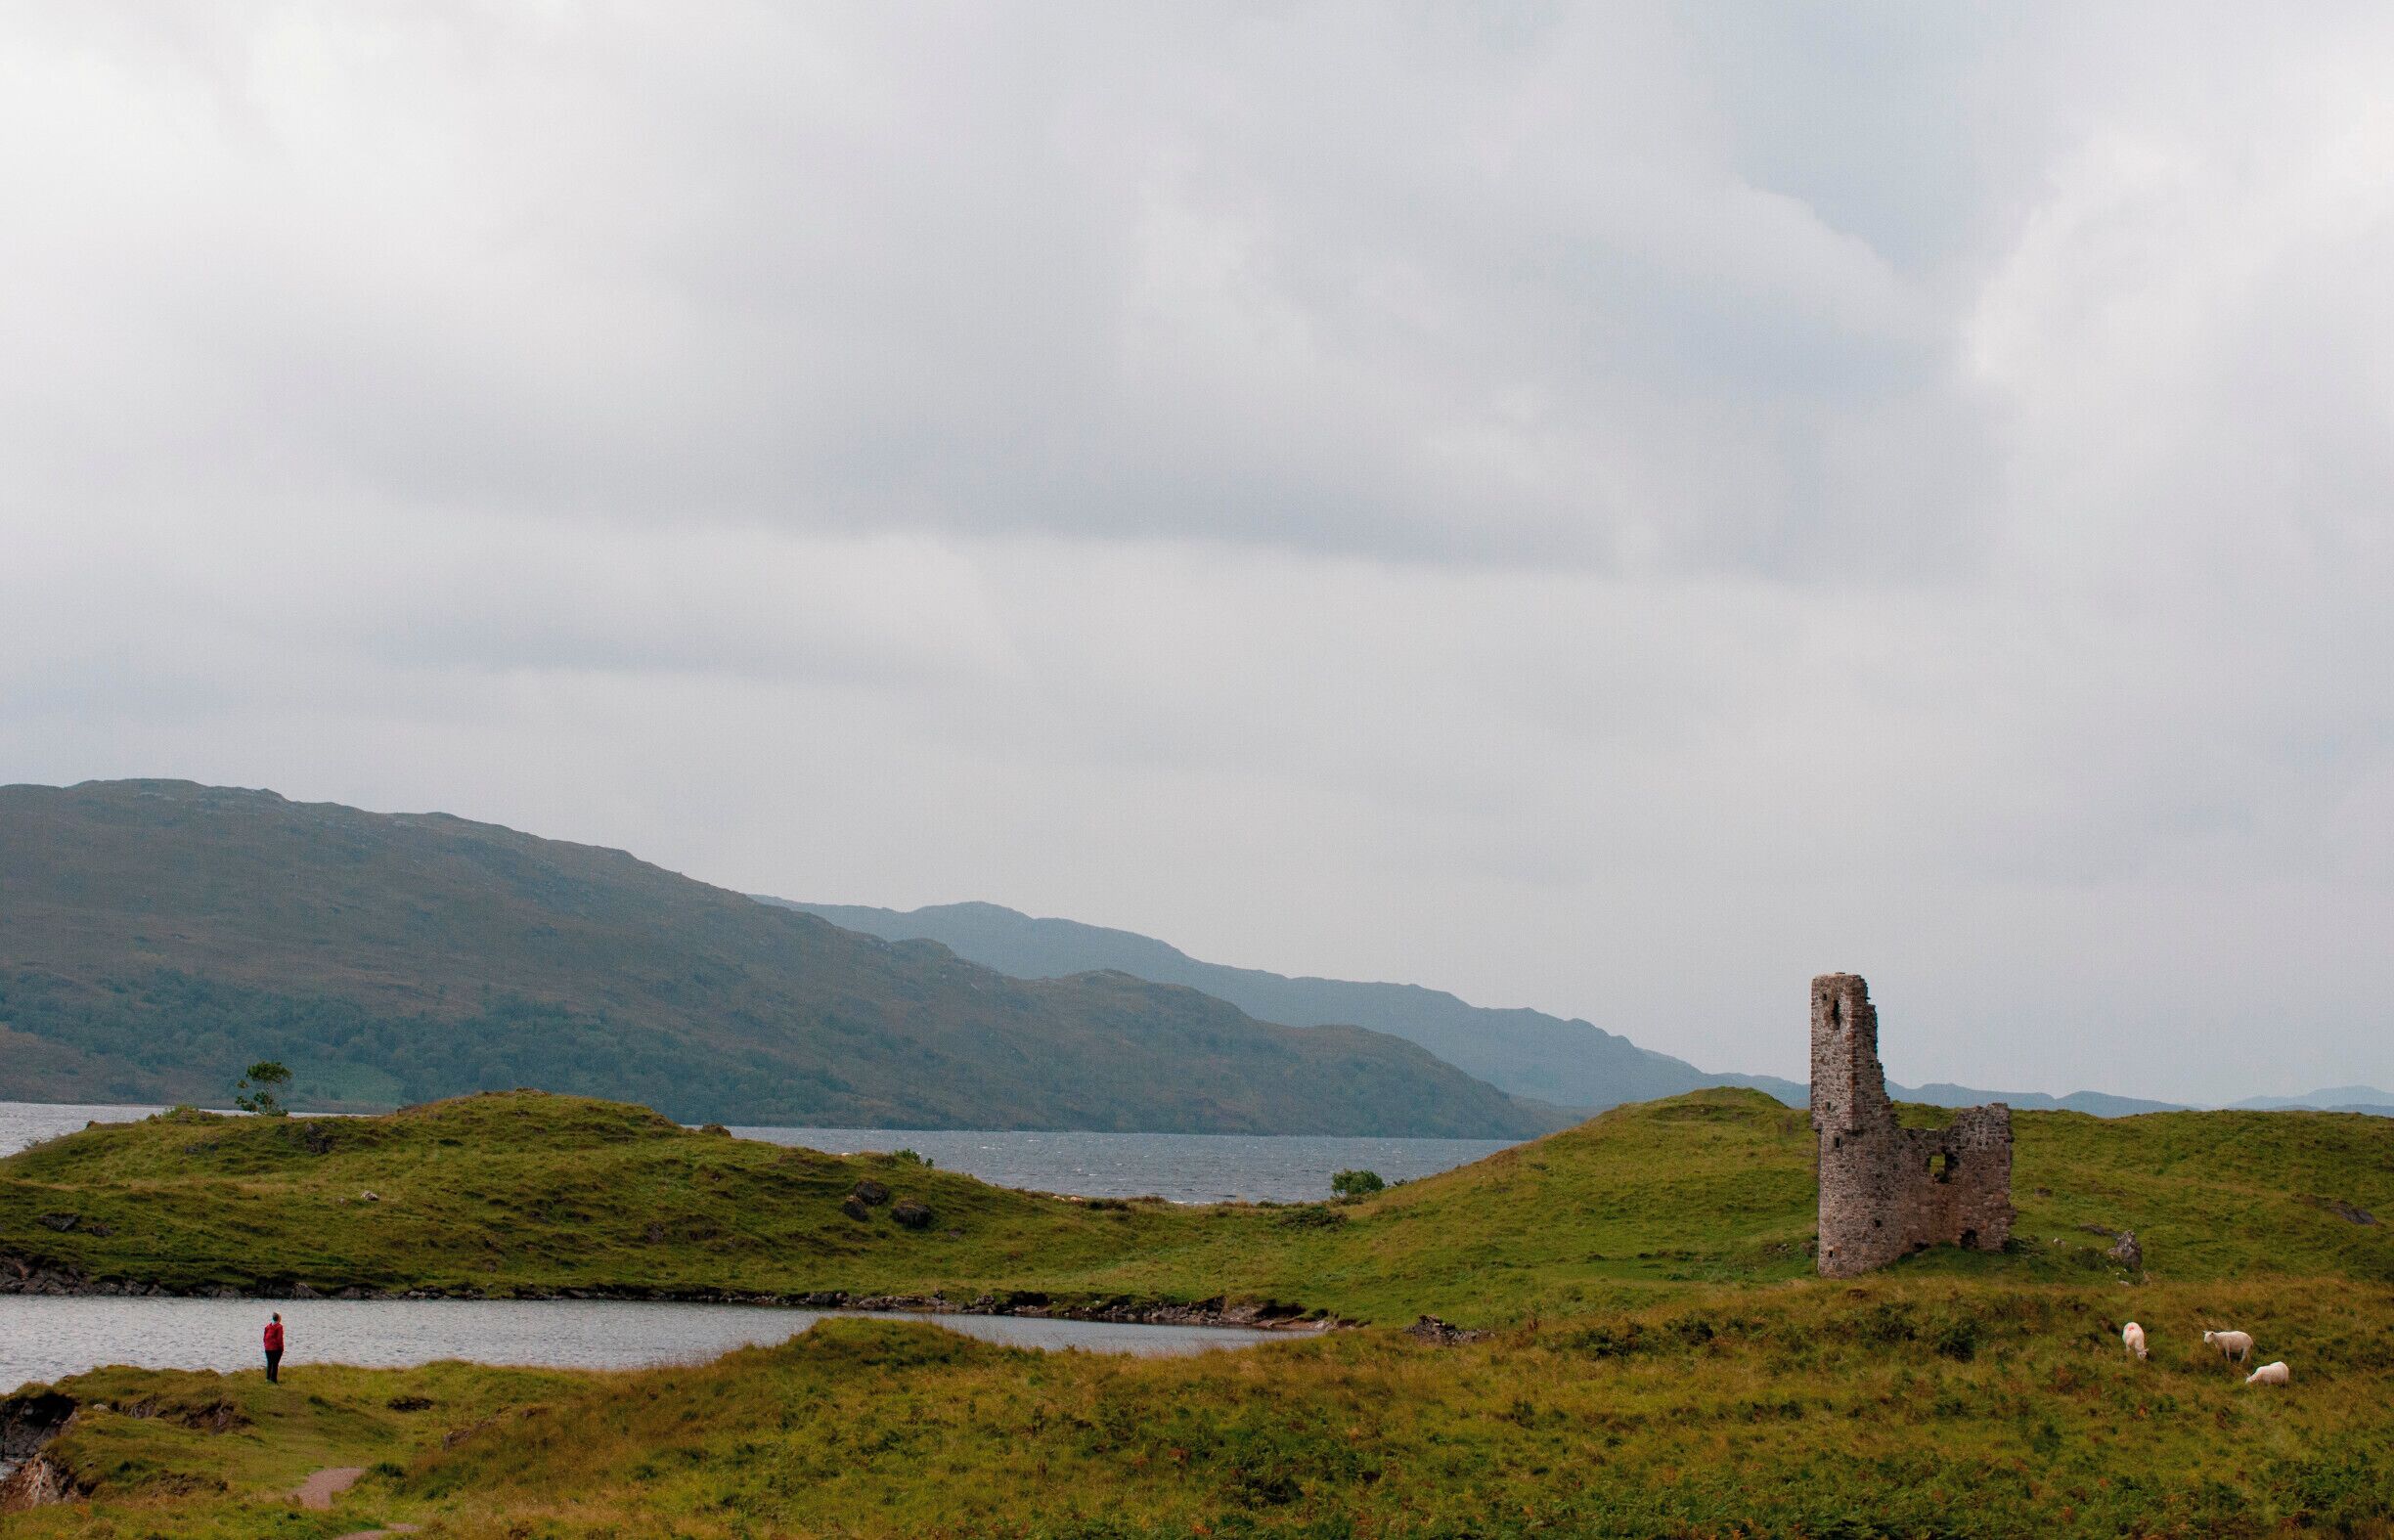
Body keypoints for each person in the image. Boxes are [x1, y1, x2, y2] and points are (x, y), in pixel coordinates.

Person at [263, 1312, 285, 1383]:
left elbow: (264, 1338)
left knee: (269, 1363)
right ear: (279, 1318)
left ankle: (268, 1379)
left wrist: (266, 1346)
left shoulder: (267, 1326)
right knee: (275, 1364)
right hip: (275, 1348)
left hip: (267, 1348)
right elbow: (279, 1339)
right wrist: (281, 1348)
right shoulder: (279, 1327)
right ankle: (274, 1380)